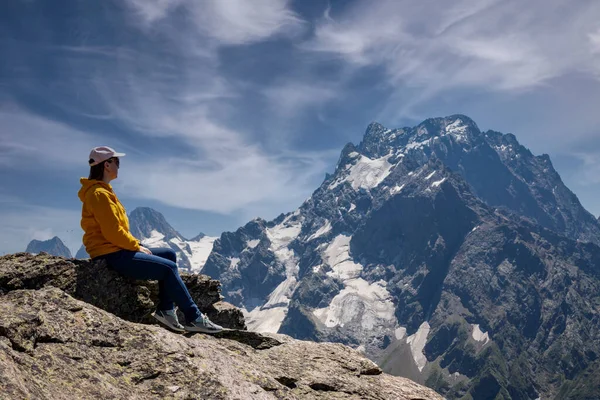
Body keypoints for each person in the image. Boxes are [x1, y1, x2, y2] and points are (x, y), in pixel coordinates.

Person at [78, 146, 223, 334]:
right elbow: (112, 232)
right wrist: (135, 246)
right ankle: (194, 317)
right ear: (107, 165)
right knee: (168, 268)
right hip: (110, 254)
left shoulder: (104, 192)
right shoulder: (99, 194)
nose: (119, 166)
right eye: (117, 162)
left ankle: (166, 310)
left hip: (115, 249)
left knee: (169, 254)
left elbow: (115, 230)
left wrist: (135, 245)